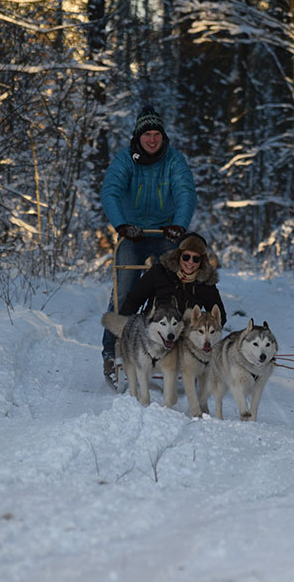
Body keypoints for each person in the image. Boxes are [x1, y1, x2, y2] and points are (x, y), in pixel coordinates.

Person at [101, 105, 197, 382]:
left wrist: (179, 224)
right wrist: (121, 225)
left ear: (163, 137)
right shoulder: (125, 160)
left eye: (157, 134)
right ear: (138, 137)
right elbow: (110, 191)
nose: (152, 140)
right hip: (132, 233)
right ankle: (112, 352)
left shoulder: (174, 160)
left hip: (165, 232)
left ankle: (176, 351)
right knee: (124, 290)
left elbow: (186, 192)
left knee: (173, 290)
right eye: (147, 135)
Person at [119, 232, 227, 326]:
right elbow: (134, 300)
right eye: (186, 257)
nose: (190, 262)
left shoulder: (205, 283)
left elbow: (220, 317)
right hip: (154, 331)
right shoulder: (159, 272)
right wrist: (125, 327)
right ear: (178, 255)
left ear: (202, 261)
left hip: (184, 335)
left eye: (196, 259)